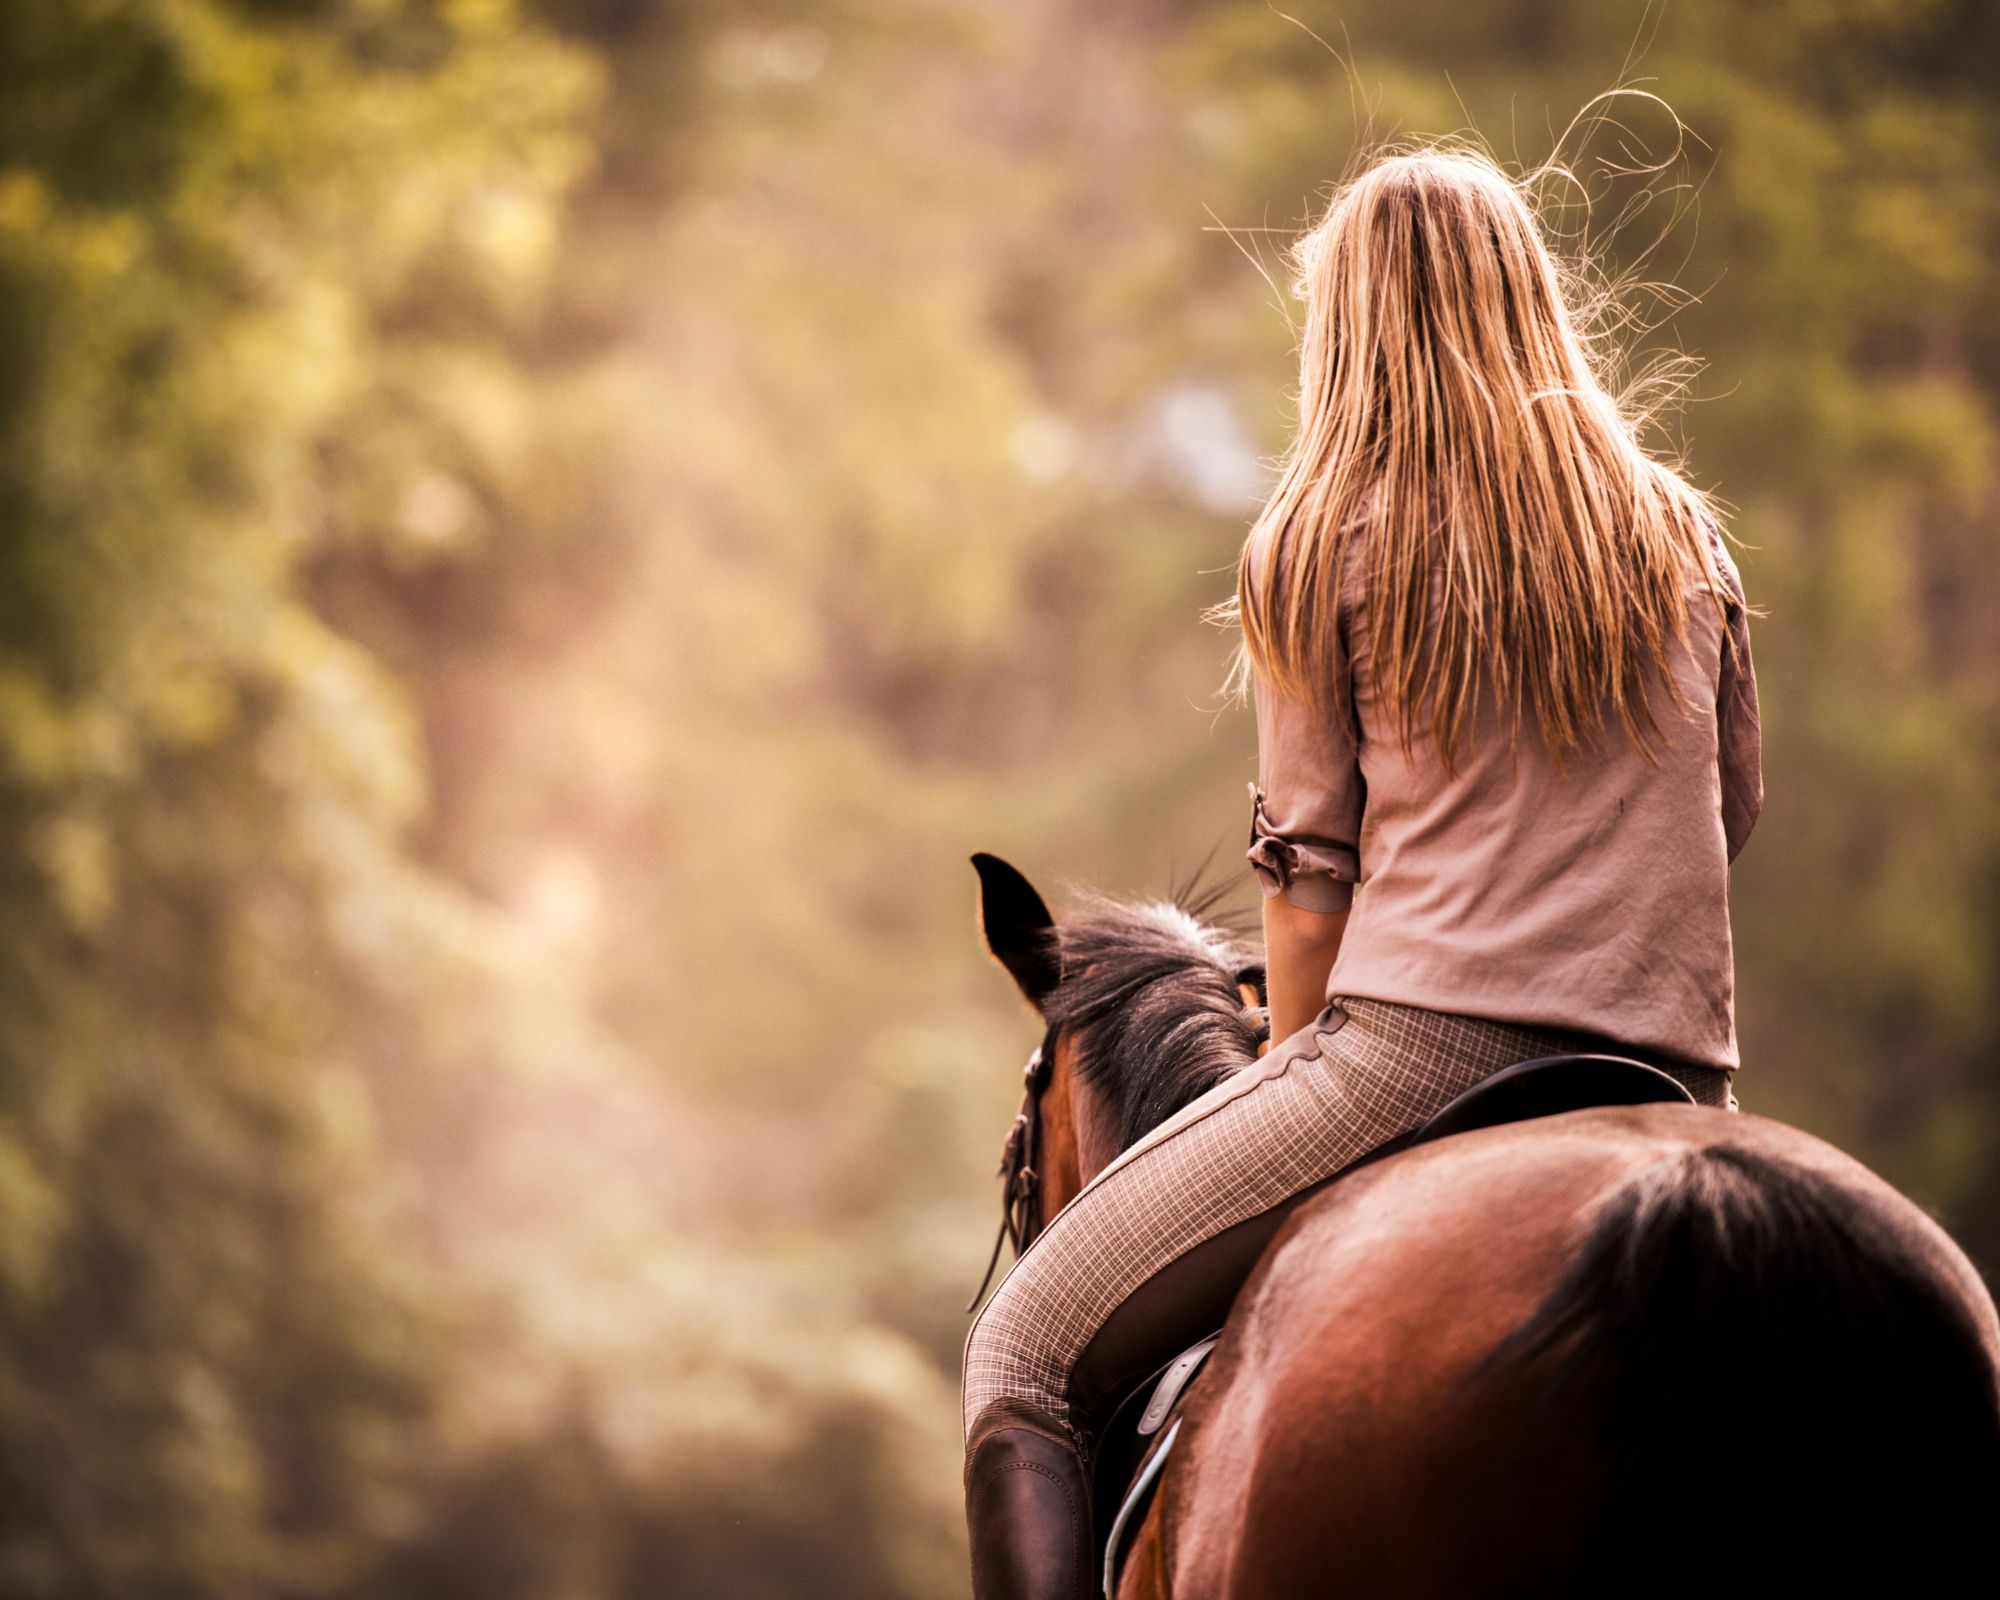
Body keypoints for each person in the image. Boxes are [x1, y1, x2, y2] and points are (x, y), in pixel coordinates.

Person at [960, 143, 1762, 1600]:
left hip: (1417, 1061)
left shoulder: (1322, 538)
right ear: (1534, 302)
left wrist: (1306, 1039)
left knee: (1020, 1352)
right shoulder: (1683, 537)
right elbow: (1729, 812)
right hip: (1680, 1076)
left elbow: (1310, 906)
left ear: (1350, 325)